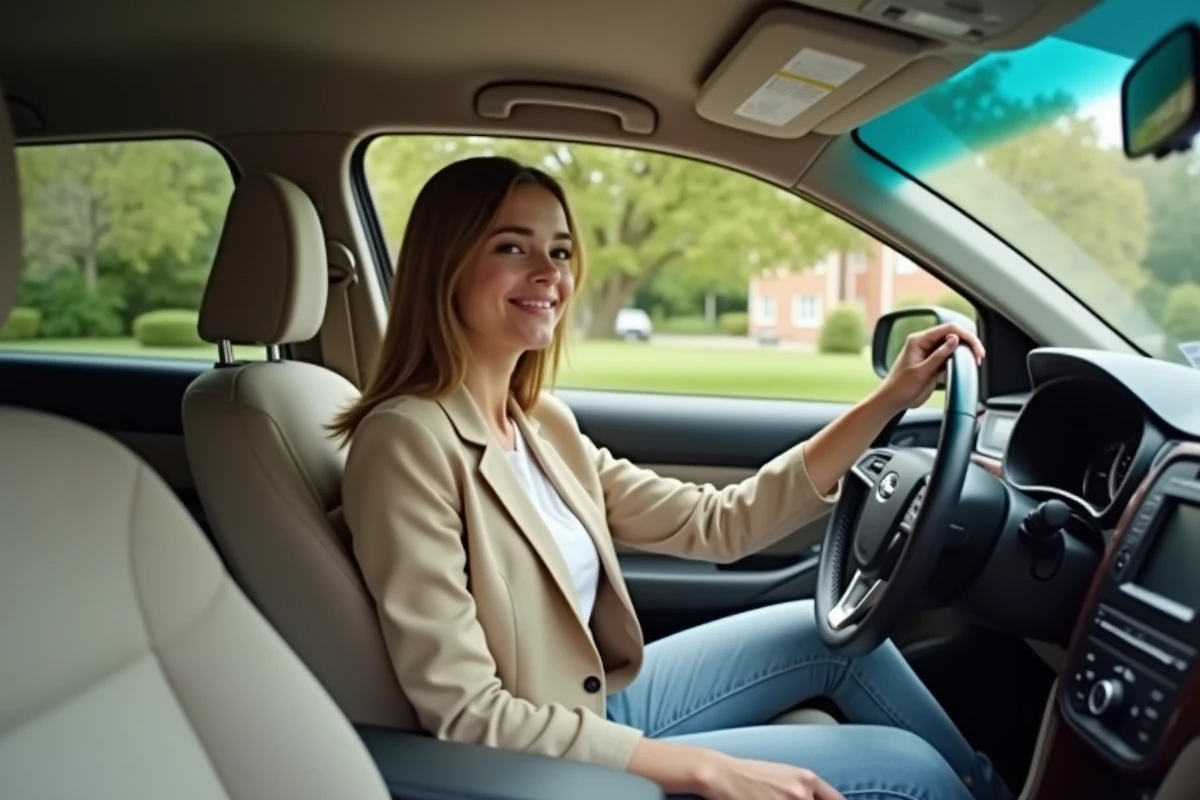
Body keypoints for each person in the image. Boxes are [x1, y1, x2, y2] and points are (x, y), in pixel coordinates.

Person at [332, 156, 1011, 800]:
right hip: (541, 760)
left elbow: (718, 524)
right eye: (513, 247)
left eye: (561, 251)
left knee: (837, 640)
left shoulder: (541, 424)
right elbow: (466, 710)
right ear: (443, 266)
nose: (549, 273)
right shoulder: (406, 442)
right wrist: (705, 769)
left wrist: (889, 399)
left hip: (601, 696)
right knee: (908, 769)